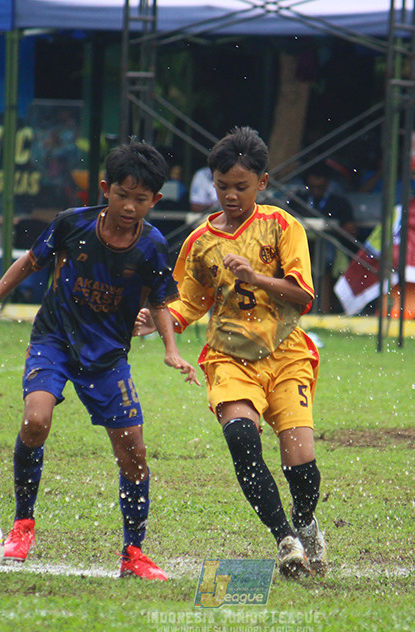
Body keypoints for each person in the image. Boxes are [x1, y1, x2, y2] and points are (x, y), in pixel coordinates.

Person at [0, 141, 199, 580]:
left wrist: (171, 350)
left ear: (155, 201)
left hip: (108, 358)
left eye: (141, 199)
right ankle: (23, 525)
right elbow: (27, 265)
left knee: (134, 454)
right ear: (105, 189)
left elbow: (161, 301)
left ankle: (133, 553)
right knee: (35, 420)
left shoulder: (154, 246)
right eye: (122, 194)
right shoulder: (72, 224)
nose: (130, 205)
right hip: (55, 341)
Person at [136, 126, 326, 578]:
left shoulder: (282, 226)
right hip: (228, 357)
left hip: (286, 354)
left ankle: (305, 521)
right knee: (241, 439)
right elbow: (189, 299)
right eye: (222, 186)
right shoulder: (200, 242)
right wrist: (160, 320)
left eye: (241, 187)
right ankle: (286, 540)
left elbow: (303, 297)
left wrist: (257, 279)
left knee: (302, 467)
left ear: (262, 183)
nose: (230, 195)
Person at [289, 162, 358, 313]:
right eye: (312, 187)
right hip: (301, 241)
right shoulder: (299, 199)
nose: (316, 191)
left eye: (320, 188)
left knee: (326, 257)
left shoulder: (338, 202)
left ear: (327, 183)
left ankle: (323, 308)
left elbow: (350, 228)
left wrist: (334, 229)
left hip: (328, 242)